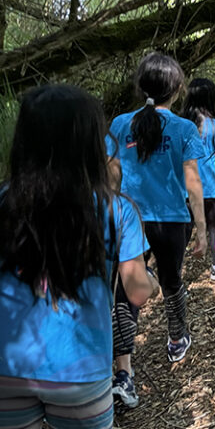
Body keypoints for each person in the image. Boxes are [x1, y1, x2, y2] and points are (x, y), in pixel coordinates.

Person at [0, 84, 155, 429]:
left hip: (6, 365)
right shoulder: (118, 211)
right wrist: (153, 282)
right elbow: (138, 292)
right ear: (90, 143)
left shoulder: (3, 202)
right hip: (80, 371)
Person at [107, 52, 206, 407]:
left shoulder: (120, 124)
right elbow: (193, 182)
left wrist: (110, 216)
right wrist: (203, 229)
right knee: (172, 282)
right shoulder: (183, 128)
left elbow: (112, 175)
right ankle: (177, 337)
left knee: (127, 291)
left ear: (141, 86)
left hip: (128, 219)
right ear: (177, 89)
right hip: (171, 222)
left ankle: (123, 374)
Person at [182, 78, 215, 282]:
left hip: (185, 188)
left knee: (184, 232)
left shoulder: (181, 126)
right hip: (211, 188)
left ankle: (176, 276)